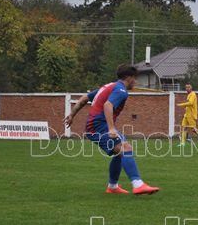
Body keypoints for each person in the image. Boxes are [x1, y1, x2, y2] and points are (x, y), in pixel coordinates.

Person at [63, 65, 159, 195]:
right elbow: (108, 105)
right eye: (135, 78)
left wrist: (72, 115)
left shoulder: (109, 86)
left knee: (120, 153)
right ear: (129, 78)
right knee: (126, 148)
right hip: (98, 126)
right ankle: (138, 184)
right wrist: (111, 128)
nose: (136, 82)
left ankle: (113, 186)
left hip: (95, 125)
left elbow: (84, 98)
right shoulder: (121, 90)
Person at [176, 83, 198, 147]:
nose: (187, 88)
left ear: (191, 88)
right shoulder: (189, 95)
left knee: (193, 129)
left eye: (188, 87)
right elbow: (189, 105)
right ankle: (182, 143)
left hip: (191, 115)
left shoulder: (193, 94)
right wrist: (185, 108)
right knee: (184, 128)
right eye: (186, 87)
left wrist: (181, 104)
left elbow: (190, 103)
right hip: (187, 115)